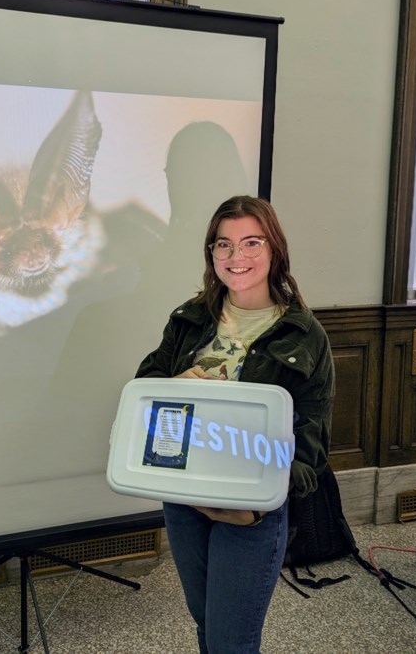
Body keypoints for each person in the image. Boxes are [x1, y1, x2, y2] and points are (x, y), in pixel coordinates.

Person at [135, 195, 335, 654]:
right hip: (183, 498)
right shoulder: (190, 318)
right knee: (207, 624)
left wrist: (257, 509)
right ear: (211, 254)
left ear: (274, 251)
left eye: (250, 242)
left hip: (250, 510)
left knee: (231, 640)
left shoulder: (305, 336)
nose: (235, 257)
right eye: (223, 245)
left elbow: (312, 448)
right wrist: (173, 385)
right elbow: (142, 394)